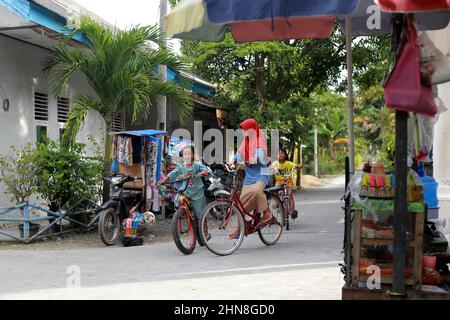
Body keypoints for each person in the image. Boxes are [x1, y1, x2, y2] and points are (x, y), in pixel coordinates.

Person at [228, 119, 272, 239]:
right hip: (250, 174)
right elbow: (239, 154)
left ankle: (267, 213)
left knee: (257, 192)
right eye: (242, 129)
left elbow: (260, 153)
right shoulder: (246, 141)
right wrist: (232, 160)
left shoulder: (259, 139)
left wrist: (255, 158)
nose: (243, 131)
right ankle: (240, 229)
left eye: (245, 129)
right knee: (240, 204)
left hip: (262, 173)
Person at [157, 145, 211, 220]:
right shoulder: (181, 167)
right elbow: (172, 173)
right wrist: (163, 181)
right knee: (178, 202)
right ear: (182, 155)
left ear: (193, 155)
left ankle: (203, 227)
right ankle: (182, 215)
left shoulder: (197, 165)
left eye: (189, 154)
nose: (187, 156)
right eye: (185, 154)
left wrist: (204, 172)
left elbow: (207, 170)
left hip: (197, 192)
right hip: (185, 190)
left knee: (200, 213)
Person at [271, 149, 302, 219]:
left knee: (290, 196)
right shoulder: (275, 163)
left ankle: (292, 211)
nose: (280, 154)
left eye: (282, 153)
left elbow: (295, 165)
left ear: (285, 155)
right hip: (279, 181)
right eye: (279, 153)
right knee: (275, 192)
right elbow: (270, 168)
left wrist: (299, 166)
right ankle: (276, 203)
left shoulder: (288, 163)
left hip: (288, 181)